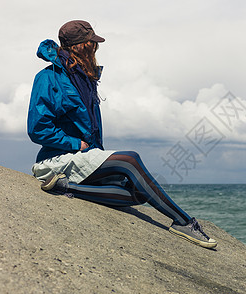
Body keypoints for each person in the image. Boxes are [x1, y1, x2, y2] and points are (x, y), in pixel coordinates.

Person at [27, 20, 217, 249]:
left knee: (138, 192)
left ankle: (65, 187)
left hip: (82, 159)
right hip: (58, 159)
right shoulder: (49, 78)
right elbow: (37, 128)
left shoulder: (84, 78)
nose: (95, 48)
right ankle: (183, 221)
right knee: (130, 159)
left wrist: (94, 153)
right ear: (79, 46)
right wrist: (75, 143)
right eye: (91, 43)